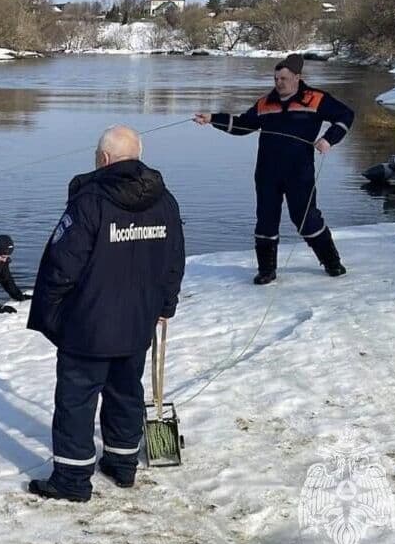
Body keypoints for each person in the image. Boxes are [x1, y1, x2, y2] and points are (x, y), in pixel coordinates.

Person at [26, 125, 185, 501]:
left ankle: (72, 479)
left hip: (89, 324)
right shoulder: (166, 200)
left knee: (77, 400)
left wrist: (51, 315)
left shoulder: (90, 201)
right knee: (126, 392)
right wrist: (165, 306)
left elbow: (60, 265)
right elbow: (174, 260)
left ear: (104, 159)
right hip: (137, 322)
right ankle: (122, 463)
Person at [194, 53, 354, 284]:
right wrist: (212, 119)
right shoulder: (265, 102)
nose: (278, 83)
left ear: (297, 77)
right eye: (276, 78)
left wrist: (329, 139)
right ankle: (266, 271)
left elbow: (346, 115)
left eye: (284, 79)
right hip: (267, 173)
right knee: (266, 220)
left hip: (300, 173)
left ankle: (332, 262)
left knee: (306, 219)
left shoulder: (316, 98)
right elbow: (243, 124)